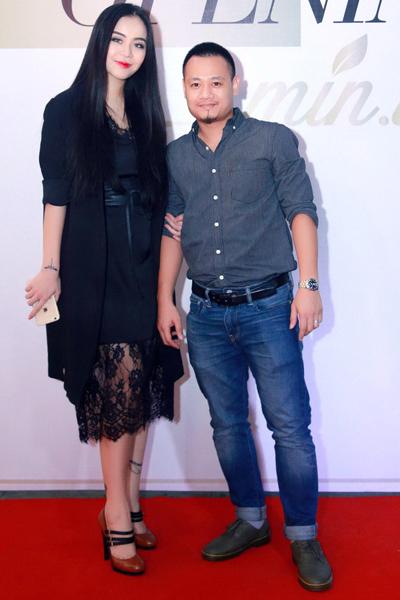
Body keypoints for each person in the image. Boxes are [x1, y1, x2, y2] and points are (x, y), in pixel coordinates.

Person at [158, 42, 333, 591]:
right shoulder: (175, 156)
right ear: (184, 89)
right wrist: (165, 299)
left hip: (269, 309)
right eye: (195, 84)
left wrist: (309, 285)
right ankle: (251, 520)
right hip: (207, 314)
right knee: (227, 425)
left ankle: (302, 535)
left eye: (216, 82)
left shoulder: (272, 140)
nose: (205, 94)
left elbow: (301, 212)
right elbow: (172, 230)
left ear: (235, 84)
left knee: (290, 427)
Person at [25, 4, 182, 576]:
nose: (128, 52)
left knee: (139, 383)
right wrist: (50, 266)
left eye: (139, 44)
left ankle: (130, 500)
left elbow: (162, 198)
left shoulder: (146, 114)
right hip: (95, 265)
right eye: (118, 39)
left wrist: (167, 278)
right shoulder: (66, 110)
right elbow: (56, 194)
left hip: (143, 267)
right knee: (117, 390)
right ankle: (114, 509)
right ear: (99, 42)